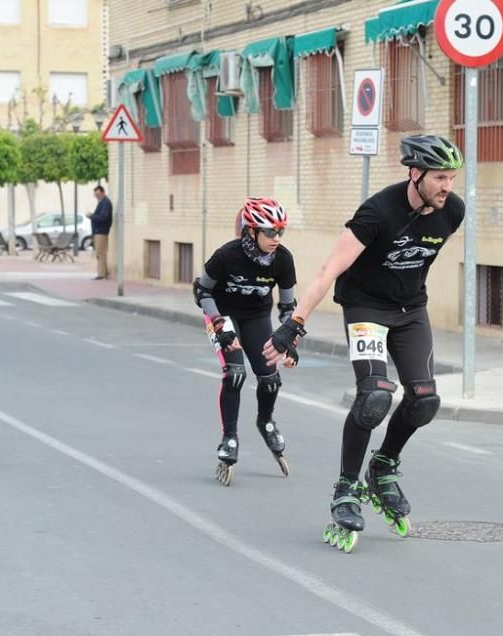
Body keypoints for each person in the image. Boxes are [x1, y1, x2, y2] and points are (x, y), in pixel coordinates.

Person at [262, 135, 465, 551]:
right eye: (440, 177)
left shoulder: (452, 212)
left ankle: (384, 466)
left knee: (424, 399)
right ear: (415, 173)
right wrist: (292, 326)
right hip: (366, 308)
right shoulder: (377, 212)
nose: (448, 186)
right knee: (374, 396)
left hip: (410, 311)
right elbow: (328, 270)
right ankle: (346, 487)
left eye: (451, 177)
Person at [194, 197, 299, 486]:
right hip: (223, 314)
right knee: (235, 374)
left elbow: (288, 307)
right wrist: (218, 325)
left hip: (256, 316)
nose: (276, 238)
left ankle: (265, 421)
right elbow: (202, 292)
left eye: (281, 232)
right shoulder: (227, 255)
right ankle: (229, 437)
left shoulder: (283, 259)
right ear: (251, 231)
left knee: (270, 378)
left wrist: (289, 338)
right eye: (269, 232)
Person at [85, 185, 113, 279]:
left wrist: (92, 216)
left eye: (98, 194)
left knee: (100, 253)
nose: (97, 196)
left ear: (103, 193)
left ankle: (102, 274)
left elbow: (103, 217)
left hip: (101, 231)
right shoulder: (102, 203)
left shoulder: (106, 203)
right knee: (100, 253)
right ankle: (103, 272)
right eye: (95, 195)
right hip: (98, 231)